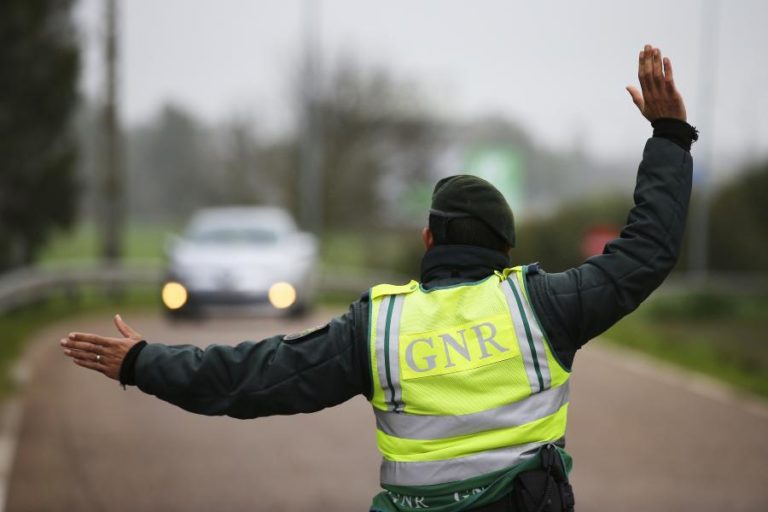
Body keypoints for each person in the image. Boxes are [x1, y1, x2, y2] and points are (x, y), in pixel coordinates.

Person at [61, 44, 697, 512]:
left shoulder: (379, 327)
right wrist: (668, 137)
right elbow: (645, 253)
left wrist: (141, 362)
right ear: (506, 251)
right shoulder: (543, 306)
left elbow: (249, 379)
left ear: (428, 241)